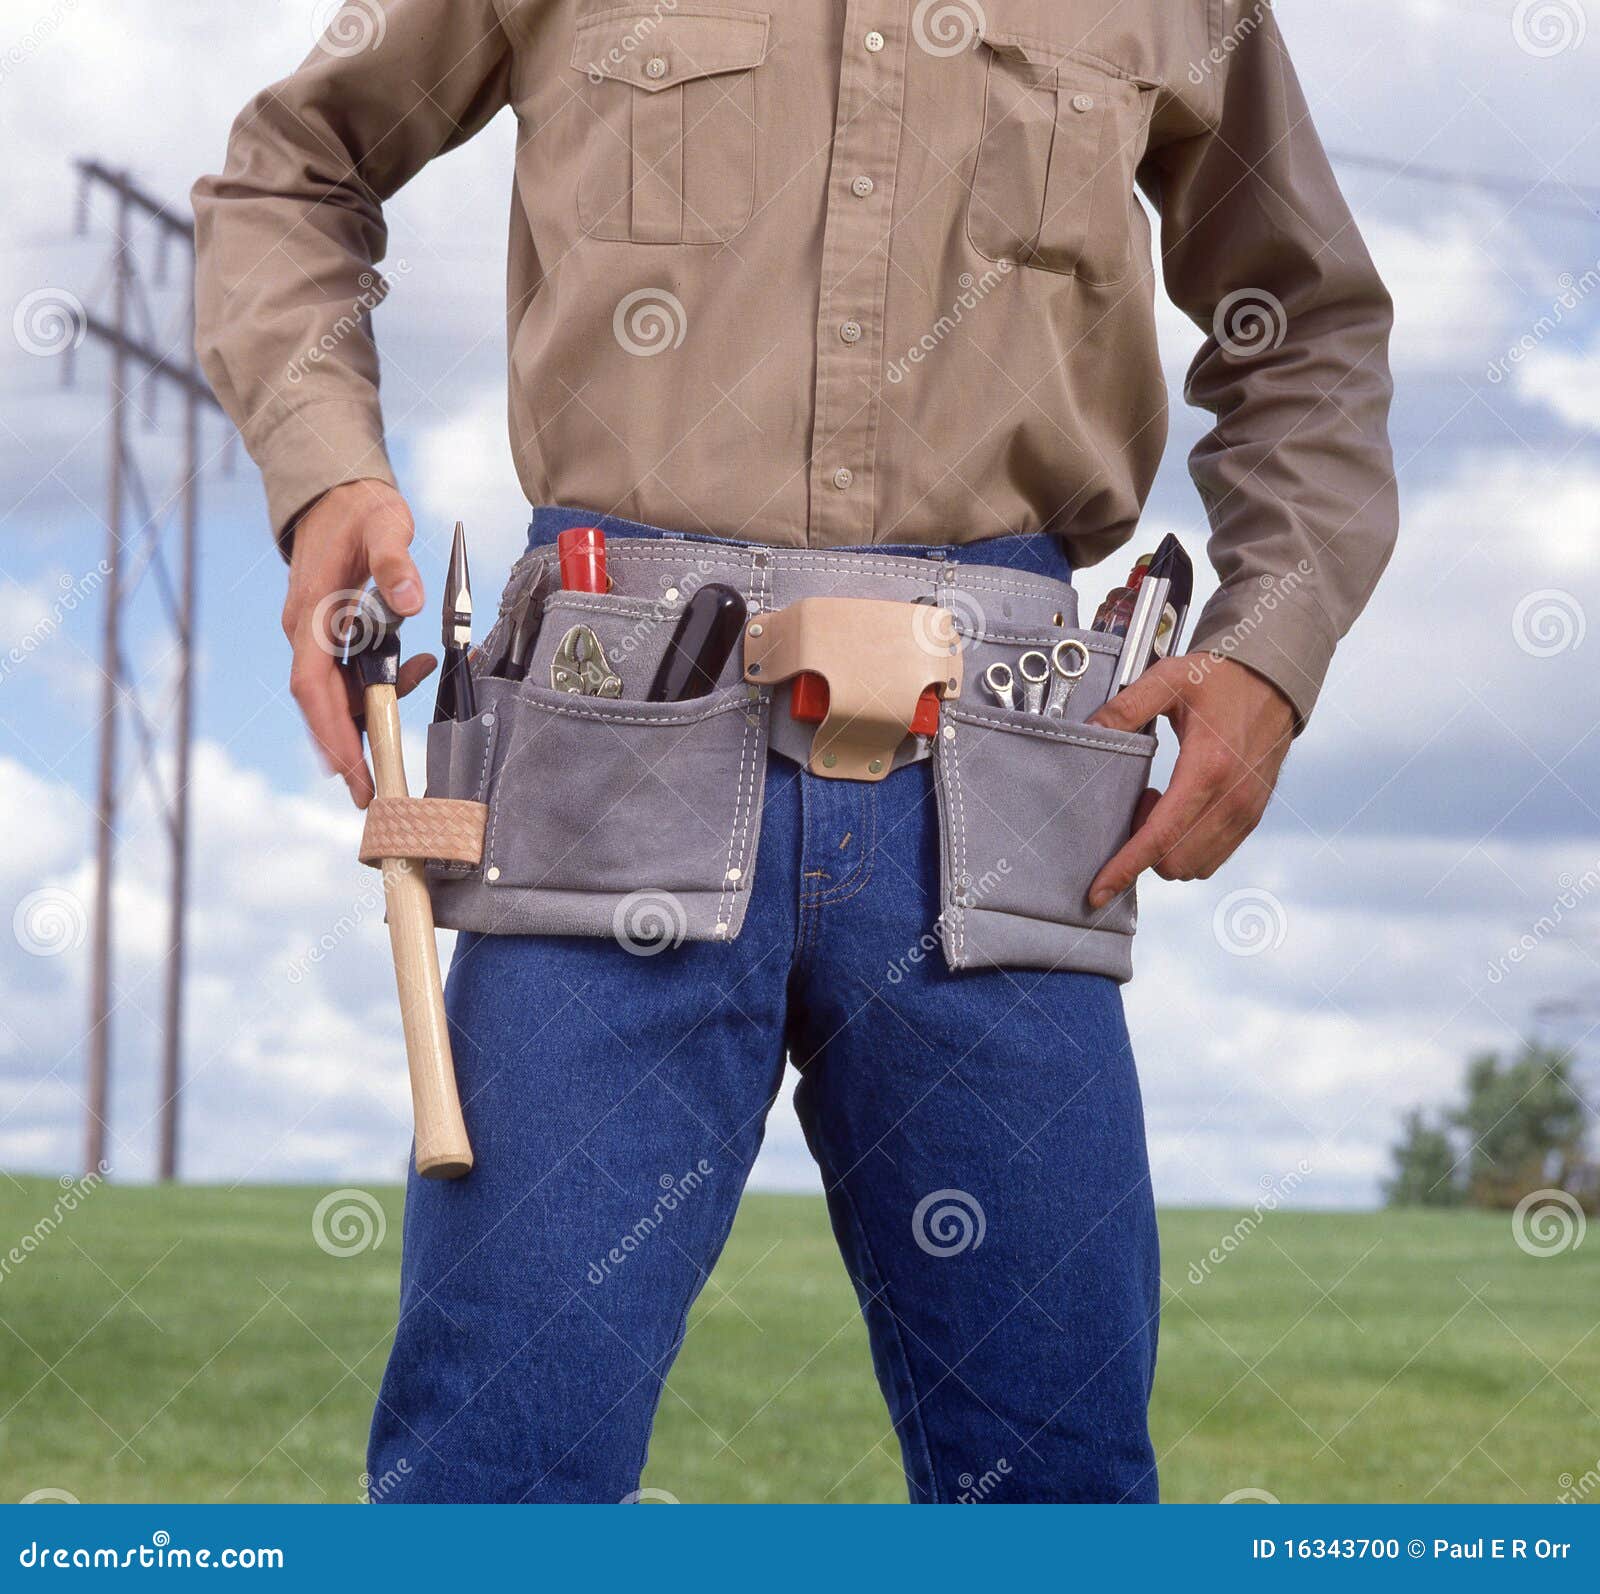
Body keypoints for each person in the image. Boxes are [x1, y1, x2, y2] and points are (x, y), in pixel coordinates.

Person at [193, 0, 1396, 1503]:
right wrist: (326, 477)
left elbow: (1311, 326)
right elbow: (290, 169)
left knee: (1061, 1491)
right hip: (606, 759)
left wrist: (1271, 644)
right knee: (496, 1475)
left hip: (1007, 794)